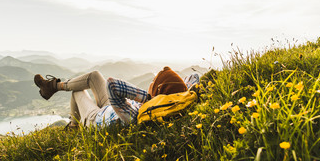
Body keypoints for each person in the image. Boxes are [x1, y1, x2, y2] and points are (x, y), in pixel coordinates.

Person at [34, 67, 199, 128]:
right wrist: (189, 90)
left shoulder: (137, 114)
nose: (150, 82)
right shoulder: (171, 101)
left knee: (77, 92)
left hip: (97, 118)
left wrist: (148, 97)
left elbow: (112, 84)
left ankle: (73, 127)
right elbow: (194, 78)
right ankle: (52, 87)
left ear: (156, 91)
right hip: (111, 106)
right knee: (94, 76)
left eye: (153, 82)